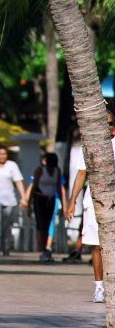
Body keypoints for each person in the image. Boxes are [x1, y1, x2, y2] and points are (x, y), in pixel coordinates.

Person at [66, 115, 115, 303]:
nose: (106, 127)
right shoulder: (88, 145)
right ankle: (99, 287)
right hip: (94, 201)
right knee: (97, 246)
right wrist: (72, 202)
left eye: (109, 123)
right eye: (102, 122)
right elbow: (80, 174)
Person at [25, 152, 67, 262]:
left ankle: (45, 250)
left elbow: (59, 188)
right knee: (41, 225)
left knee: (48, 224)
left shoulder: (57, 171)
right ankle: (42, 250)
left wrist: (63, 205)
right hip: (39, 199)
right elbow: (34, 186)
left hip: (51, 199)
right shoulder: (40, 170)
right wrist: (29, 204)